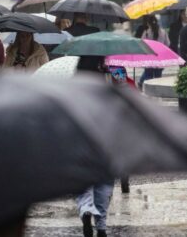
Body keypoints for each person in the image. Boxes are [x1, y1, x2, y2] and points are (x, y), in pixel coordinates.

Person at [76, 56, 114, 237]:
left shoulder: (75, 74)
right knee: (104, 180)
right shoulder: (109, 70)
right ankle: (101, 226)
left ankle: (85, 209)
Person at [138, 15, 170, 88]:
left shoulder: (146, 33)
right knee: (158, 79)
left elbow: (141, 45)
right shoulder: (163, 32)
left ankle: (148, 92)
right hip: (160, 59)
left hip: (149, 60)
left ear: (148, 23)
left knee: (148, 77)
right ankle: (157, 93)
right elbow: (168, 44)